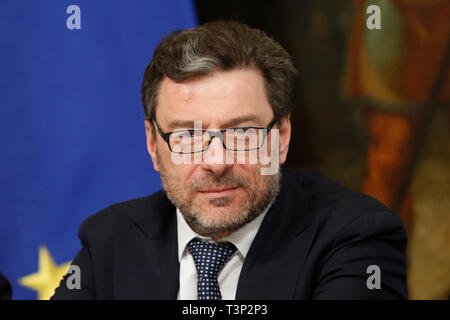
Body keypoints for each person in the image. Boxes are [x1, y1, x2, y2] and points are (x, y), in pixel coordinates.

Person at [52, 20, 407, 300]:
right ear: (152, 143)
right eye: (188, 136)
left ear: (281, 137)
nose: (217, 161)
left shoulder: (356, 236)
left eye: (242, 133)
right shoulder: (110, 240)